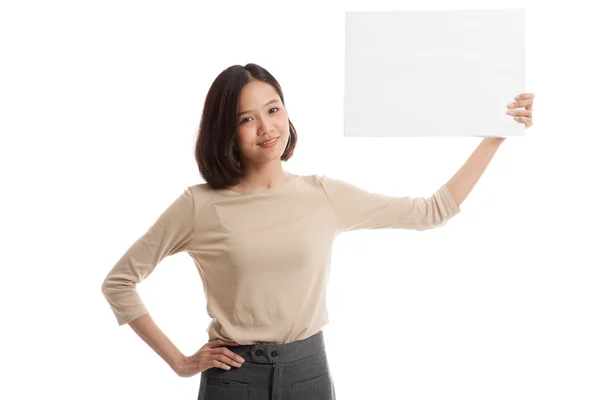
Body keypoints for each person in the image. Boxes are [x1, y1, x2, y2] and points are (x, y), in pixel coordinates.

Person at [101, 63, 535, 399]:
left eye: (273, 110)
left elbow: (432, 210)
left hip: (308, 371)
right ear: (227, 132)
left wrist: (494, 137)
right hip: (233, 380)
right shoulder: (200, 205)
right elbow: (119, 282)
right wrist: (180, 362)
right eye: (246, 119)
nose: (267, 127)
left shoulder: (322, 195)